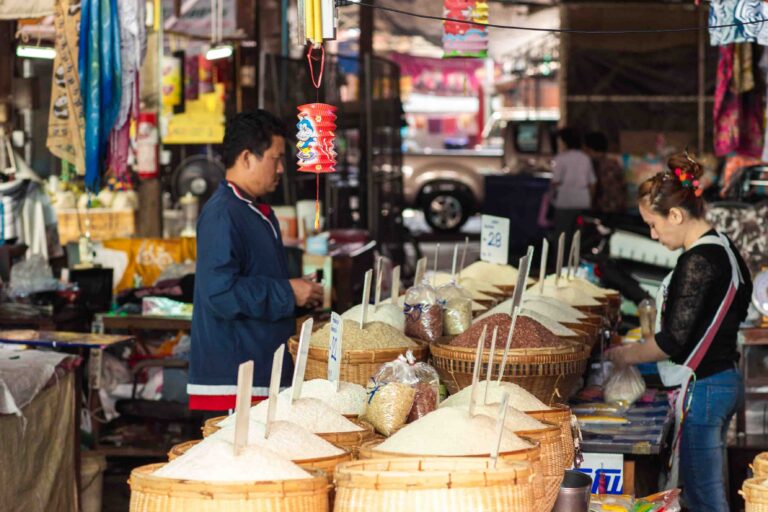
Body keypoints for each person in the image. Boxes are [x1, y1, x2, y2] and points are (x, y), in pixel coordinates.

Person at [607, 153, 751, 511]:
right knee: (707, 489)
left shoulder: (699, 260)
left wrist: (625, 355)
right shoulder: (723, 246)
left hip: (703, 387)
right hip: (721, 381)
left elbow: (673, 340)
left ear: (676, 214)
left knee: (705, 498)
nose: (653, 235)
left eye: (654, 224)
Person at [187, 110, 324, 414]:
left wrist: (300, 295)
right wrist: (288, 292)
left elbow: (255, 281)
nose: (280, 169)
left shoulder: (254, 211)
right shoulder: (223, 214)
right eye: (275, 159)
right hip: (234, 381)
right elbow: (219, 294)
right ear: (247, 158)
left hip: (260, 371)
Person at [550, 127, 596, 240]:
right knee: (579, 237)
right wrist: (591, 201)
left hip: (564, 202)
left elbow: (555, 181)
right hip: (582, 202)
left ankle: (562, 258)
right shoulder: (585, 158)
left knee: (562, 237)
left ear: (565, 142)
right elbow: (593, 183)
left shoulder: (560, 159)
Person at [584, 131, 626, 214]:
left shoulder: (594, 165)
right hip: (618, 207)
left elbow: (596, 188)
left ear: (590, 149)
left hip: (603, 208)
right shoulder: (614, 163)